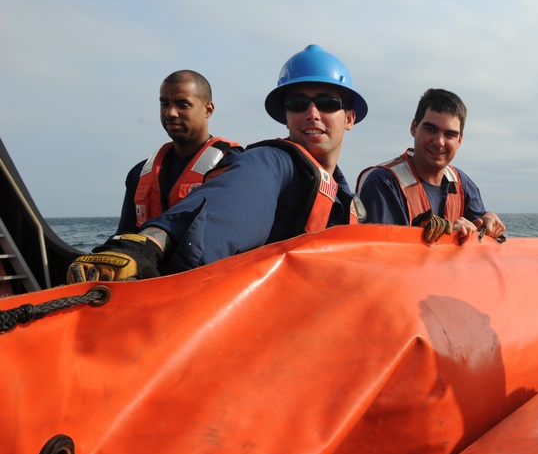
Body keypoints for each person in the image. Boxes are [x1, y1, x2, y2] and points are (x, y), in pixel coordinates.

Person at [68, 44, 366, 282]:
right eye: (297, 103)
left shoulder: (348, 202)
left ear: (349, 118)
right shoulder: (269, 162)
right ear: (285, 116)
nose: (312, 113)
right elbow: (229, 205)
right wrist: (148, 243)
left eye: (328, 103)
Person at [355, 88, 504, 244]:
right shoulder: (383, 183)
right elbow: (380, 251)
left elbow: (480, 232)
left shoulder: (462, 184)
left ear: (459, 140)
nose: (439, 142)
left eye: (450, 135)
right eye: (431, 130)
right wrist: (449, 238)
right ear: (414, 127)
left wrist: (489, 221)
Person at [116, 70, 242, 234]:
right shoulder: (139, 173)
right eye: (165, 104)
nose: (171, 113)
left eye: (183, 105)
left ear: (208, 110)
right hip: (147, 256)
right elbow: (124, 233)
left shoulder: (235, 166)